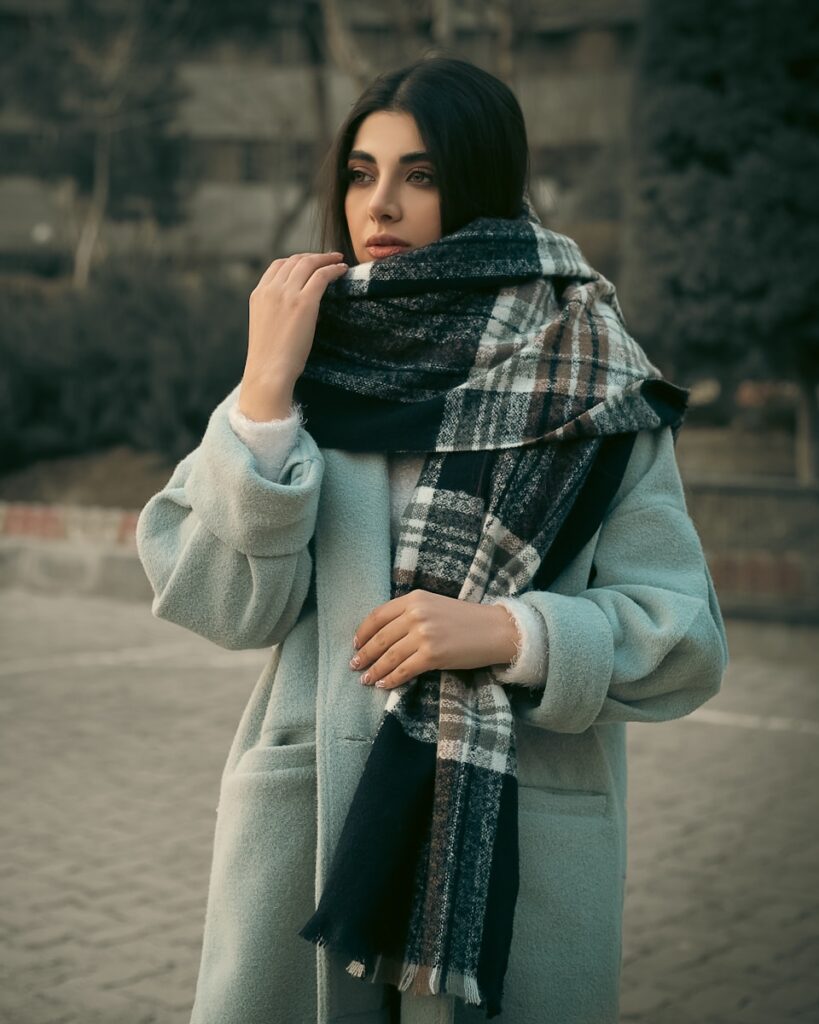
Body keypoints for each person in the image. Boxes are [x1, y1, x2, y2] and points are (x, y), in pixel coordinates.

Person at [135, 55, 729, 1024]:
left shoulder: (592, 377)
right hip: (314, 828)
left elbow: (686, 641)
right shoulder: (313, 363)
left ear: (482, 182)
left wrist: (512, 633)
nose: (382, 203)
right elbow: (225, 599)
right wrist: (261, 396)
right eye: (362, 173)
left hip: (519, 844)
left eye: (420, 173)